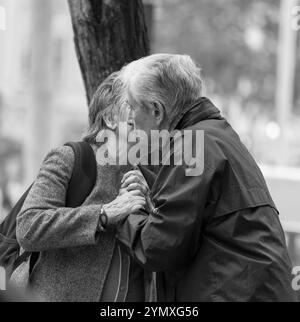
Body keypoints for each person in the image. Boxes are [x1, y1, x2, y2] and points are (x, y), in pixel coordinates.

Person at [112, 54, 298, 302]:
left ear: (157, 110)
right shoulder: (214, 134)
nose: (129, 119)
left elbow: (156, 247)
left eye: (132, 107)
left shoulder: (191, 145)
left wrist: (126, 209)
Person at [10, 72, 155, 302]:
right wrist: (103, 214)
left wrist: (150, 206)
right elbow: (28, 227)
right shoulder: (69, 158)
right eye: (135, 104)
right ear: (109, 118)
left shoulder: (145, 174)